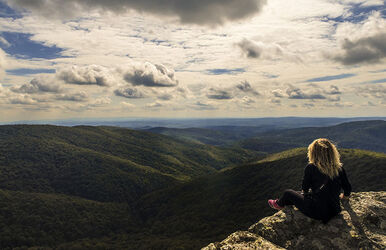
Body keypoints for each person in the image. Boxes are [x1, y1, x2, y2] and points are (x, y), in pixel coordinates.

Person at [268, 138, 352, 224]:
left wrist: (305, 195)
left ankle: (279, 204)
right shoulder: (339, 168)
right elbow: (347, 188)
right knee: (300, 195)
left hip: (316, 212)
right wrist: (344, 197)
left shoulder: (311, 167)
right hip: (335, 210)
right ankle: (285, 202)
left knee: (288, 193)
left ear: (313, 153)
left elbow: (305, 189)